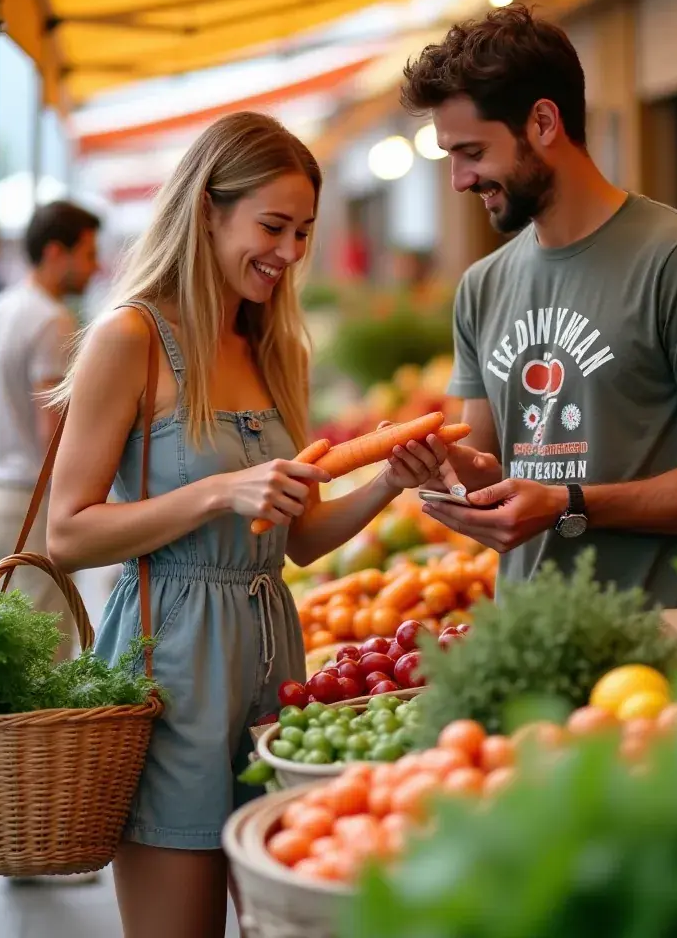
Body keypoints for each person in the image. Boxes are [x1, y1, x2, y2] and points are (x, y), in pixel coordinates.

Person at [44, 111, 444, 938]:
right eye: (273, 226)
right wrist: (220, 492)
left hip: (276, 664)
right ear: (207, 211)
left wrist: (384, 487)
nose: (290, 253)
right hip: (172, 671)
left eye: (303, 232)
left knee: (286, 921)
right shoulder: (132, 340)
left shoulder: (273, 345)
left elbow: (297, 538)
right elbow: (68, 532)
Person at [403, 5, 677, 608]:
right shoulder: (482, 286)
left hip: (656, 654)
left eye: (471, 151)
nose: (458, 179)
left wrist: (573, 504)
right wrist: (437, 463)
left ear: (544, 122)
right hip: (529, 647)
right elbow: (488, 465)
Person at [0, 200, 101, 657]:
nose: (95, 267)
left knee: (7, 649)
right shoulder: (51, 319)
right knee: (47, 656)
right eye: (88, 253)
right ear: (56, 252)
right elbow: (52, 431)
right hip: (35, 504)